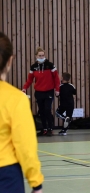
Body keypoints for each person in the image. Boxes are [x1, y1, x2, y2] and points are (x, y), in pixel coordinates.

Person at [0, 32, 44, 192]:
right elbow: (25, 145)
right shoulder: (16, 99)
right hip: (5, 175)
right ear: (10, 61)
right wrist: (36, 182)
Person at [22, 47, 60, 136]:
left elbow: (56, 78)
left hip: (49, 91)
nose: (41, 57)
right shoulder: (33, 67)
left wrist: (57, 89)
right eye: (40, 55)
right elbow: (30, 80)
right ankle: (44, 129)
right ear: (36, 56)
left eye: (43, 55)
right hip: (39, 92)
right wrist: (24, 88)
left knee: (47, 109)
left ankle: (50, 128)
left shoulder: (50, 65)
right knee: (41, 111)